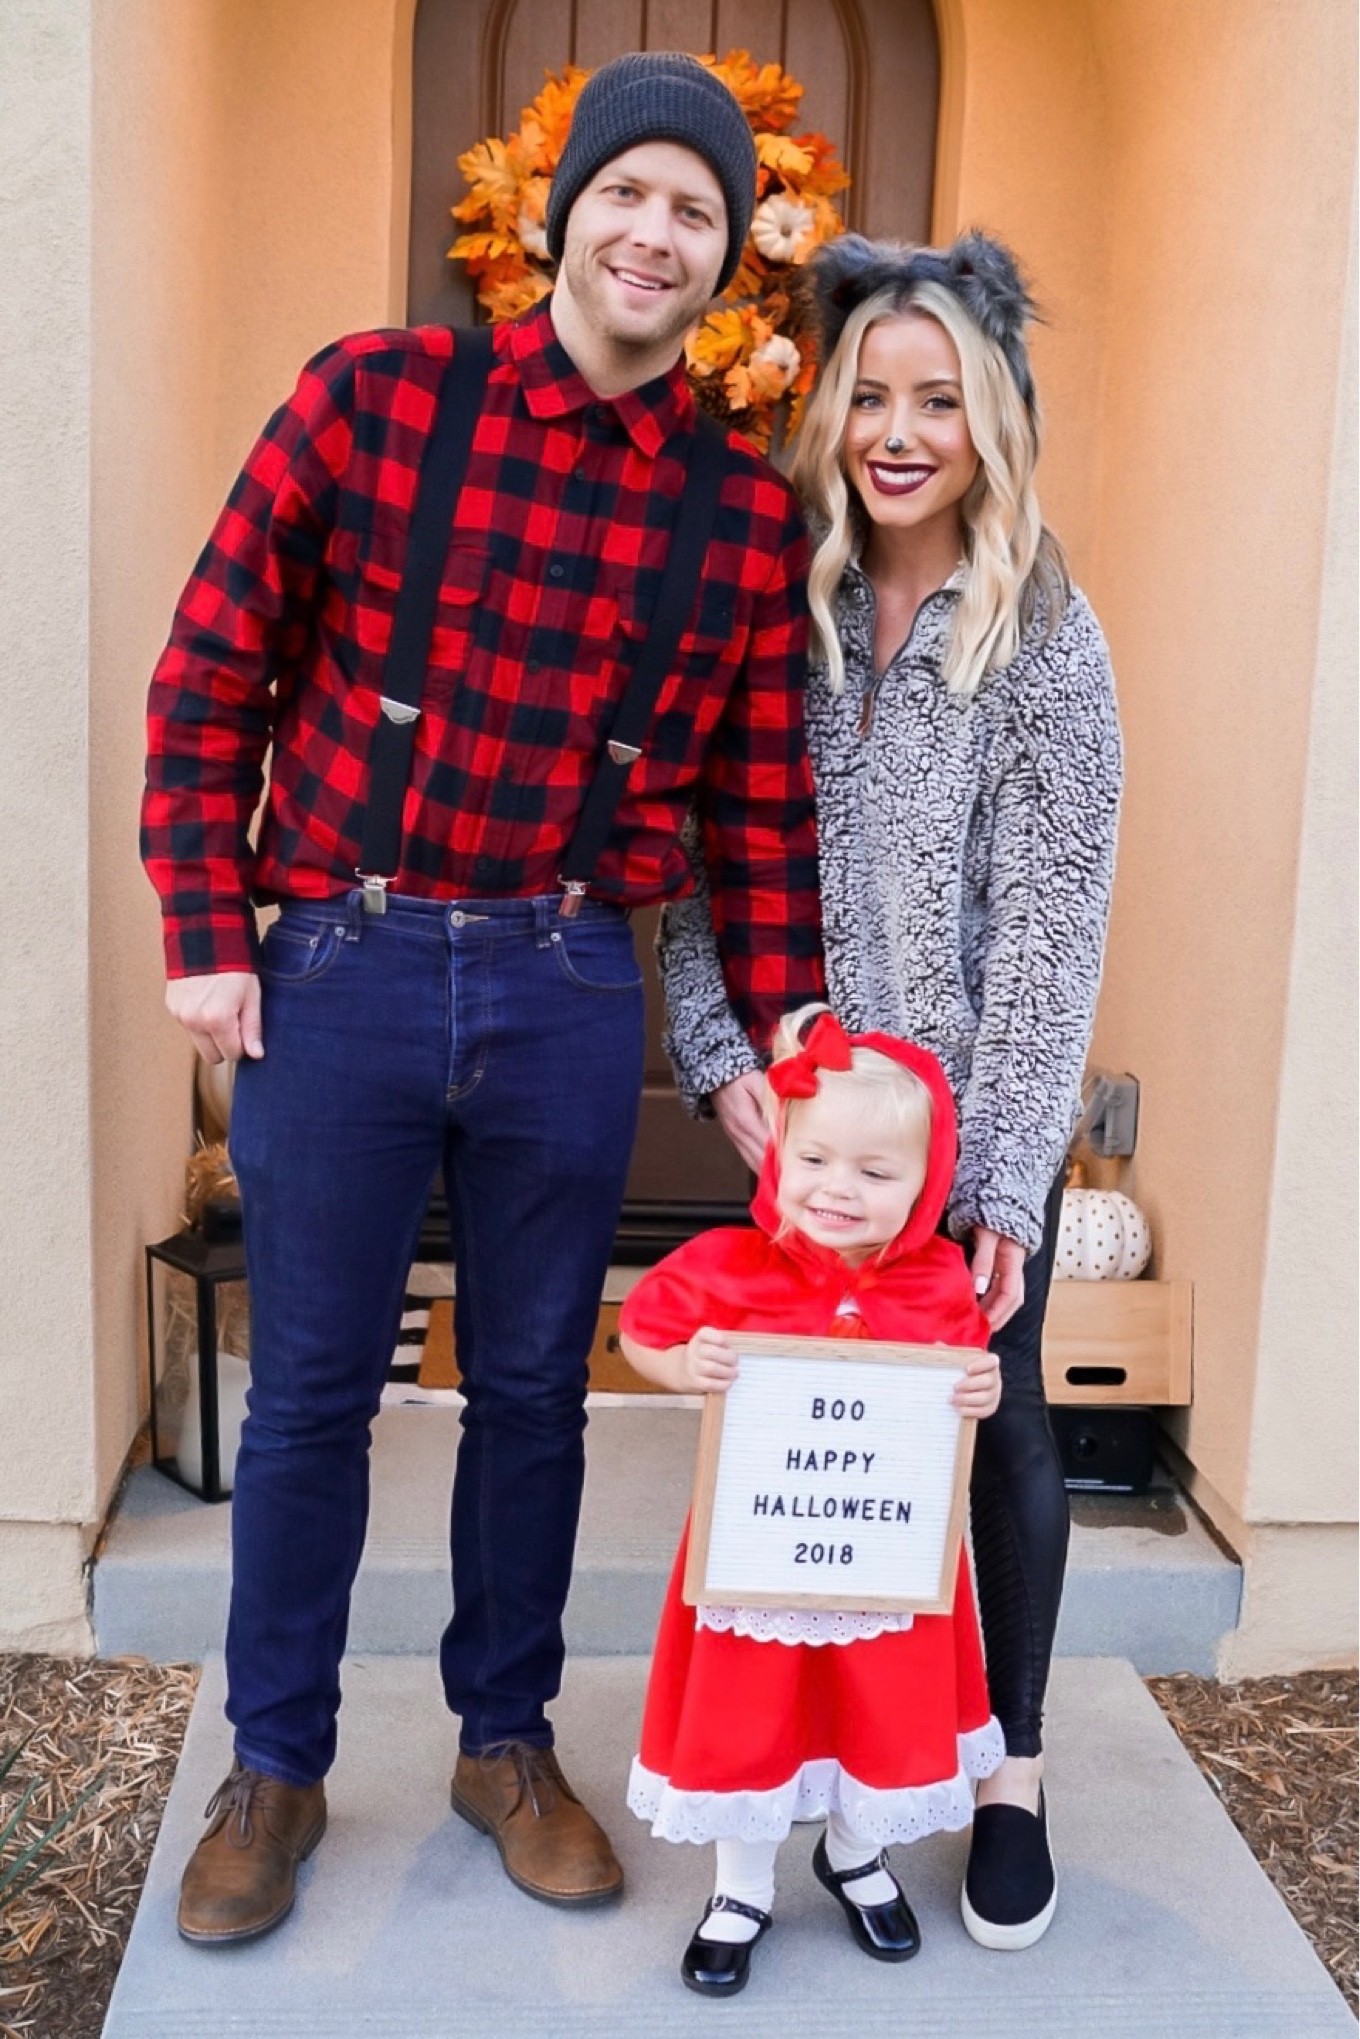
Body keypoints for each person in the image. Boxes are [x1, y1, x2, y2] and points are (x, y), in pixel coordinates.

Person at [141, 51, 823, 1945]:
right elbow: (210, 667)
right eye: (629, 192)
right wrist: (205, 918)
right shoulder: (377, 396)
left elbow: (760, 808)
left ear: (730, 261)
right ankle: (274, 1763)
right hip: (339, 960)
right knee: (308, 1396)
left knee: (534, 1391)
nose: (654, 233)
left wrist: (788, 1033)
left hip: (563, 975)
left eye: (695, 210)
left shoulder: (741, 515)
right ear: (562, 212)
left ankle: (504, 1740)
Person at [658, 232, 1124, 1949]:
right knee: (808, 1437)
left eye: (938, 399)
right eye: (870, 396)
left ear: (993, 419)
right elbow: (698, 859)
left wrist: (1002, 1184)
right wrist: (722, 1059)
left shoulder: (1048, 639)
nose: (899, 432)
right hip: (814, 1132)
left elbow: (1054, 927)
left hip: (973, 1127)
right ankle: (818, 1758)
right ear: (831, 417)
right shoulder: (781, 612)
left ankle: (1011, 1766)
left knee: (997, 1421)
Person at [620, 1005, 1004, 1997]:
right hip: (760, 1549)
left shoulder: (937, 1279)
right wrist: (682, 1365)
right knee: (749, 1711)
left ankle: (855, 1852)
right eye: (816, 1159)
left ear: (925, 1185)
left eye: (875, 1172)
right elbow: (638, 1333)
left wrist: (979, 1386)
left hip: (884, 1551)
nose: (838, 1188)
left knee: (880, 1704)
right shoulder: (726, 1263)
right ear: (779, 1155)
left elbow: (963, 1372)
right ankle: (741, 1887)